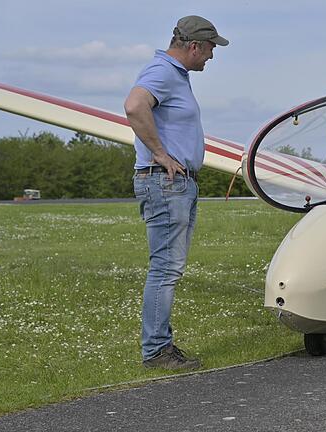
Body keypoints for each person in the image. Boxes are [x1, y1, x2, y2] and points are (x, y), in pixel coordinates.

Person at [124, 15, 229, 370]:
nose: (212, 56)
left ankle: (160, 344)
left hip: (175, 184)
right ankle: (156, 350)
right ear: (194, 46)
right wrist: (160, 153)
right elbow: (134, 106)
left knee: (167, 267)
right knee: (165, 268)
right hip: (166, 183)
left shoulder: (174, 75)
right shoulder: (164, 72)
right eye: (211, 48)